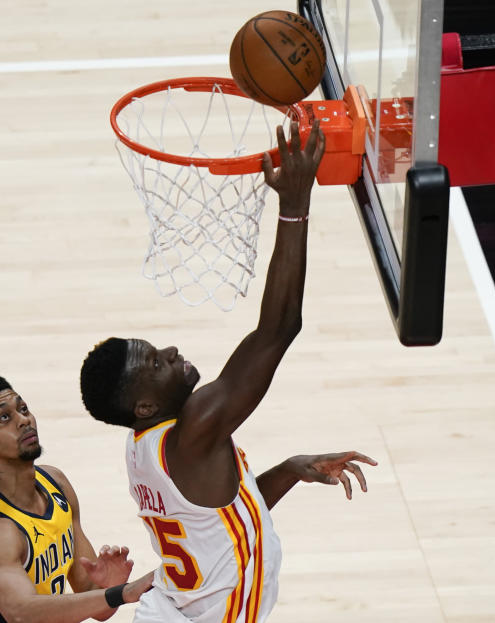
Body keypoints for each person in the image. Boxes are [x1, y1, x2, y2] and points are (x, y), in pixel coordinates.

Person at [79, 120, 377, 623]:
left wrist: (288, 471)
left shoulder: (144, 446)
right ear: (145, 405)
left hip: (174, 608)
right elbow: (279, 327)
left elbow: (213, 525)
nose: (171, 350)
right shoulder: (194, 427)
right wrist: (295, 205)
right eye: (156, 361)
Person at [0, 372, 153, 623]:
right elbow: (21, 612)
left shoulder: (56, 484)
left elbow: (94, 603)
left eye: (23, 409)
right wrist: (121, 593)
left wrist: (108, 586)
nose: (23, 420)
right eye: (5, 417)